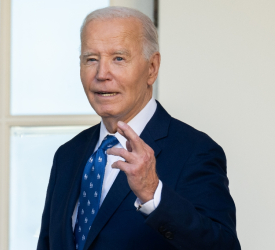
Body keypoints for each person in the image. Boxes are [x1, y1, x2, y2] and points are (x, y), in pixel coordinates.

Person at [37, 6, 241, 250]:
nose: (102, 74)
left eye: (119, 58)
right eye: (91, 59)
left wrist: (153, 194)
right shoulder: (67, 155)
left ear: (152, 68)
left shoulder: (196, 152)